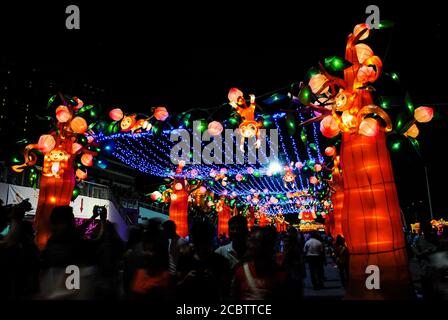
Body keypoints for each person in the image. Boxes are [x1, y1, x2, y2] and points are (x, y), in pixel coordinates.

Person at [177, 220, 231, 301]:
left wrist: (214, 281)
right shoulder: (185, 258)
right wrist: (186, 280)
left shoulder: (220, 261)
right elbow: (176, 286)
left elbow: (226, 289)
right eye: (199, 239)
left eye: (205, 239)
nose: (202, 244)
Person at [232, 226, 287, 300]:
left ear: (267, 245)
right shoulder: (240, 270)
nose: (250, 245)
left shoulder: (280, 274)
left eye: (256, 242)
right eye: (250, 240)